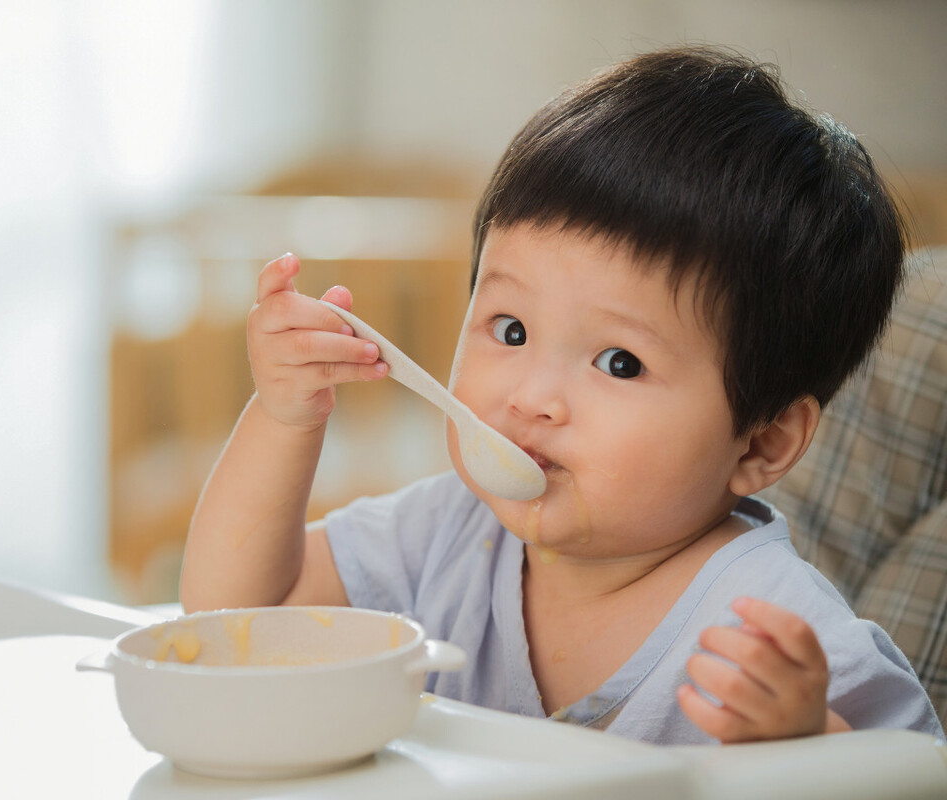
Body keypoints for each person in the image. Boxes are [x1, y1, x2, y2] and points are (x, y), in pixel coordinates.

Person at [179, 45, 945, 745]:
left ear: (762, 442)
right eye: (509, 330)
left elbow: (910, 775)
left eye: (618, 363)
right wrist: (283, 418)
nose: (533, 396)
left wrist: (809, 744)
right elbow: (240, 618)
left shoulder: (769, 631)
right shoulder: (447, 535)